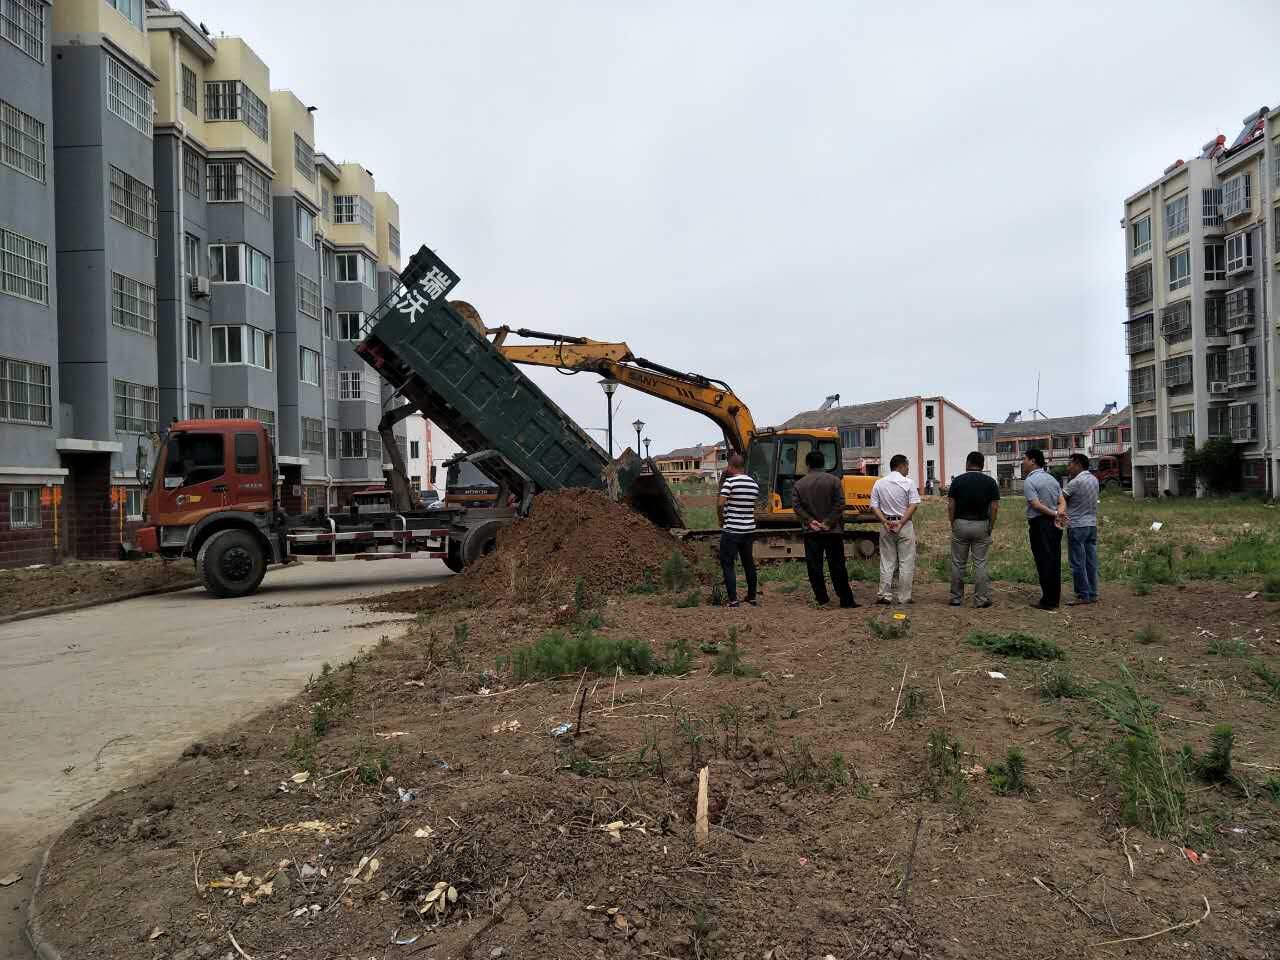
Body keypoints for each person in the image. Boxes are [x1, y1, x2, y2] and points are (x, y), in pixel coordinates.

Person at [793, 449, 857, 608]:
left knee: (815, 566)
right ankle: (846, 600)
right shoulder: (834, 481)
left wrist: (810, 521)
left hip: (811, 532)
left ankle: (822, 599)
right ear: (823, 463)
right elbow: (840, 503)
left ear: (807, 464)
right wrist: (828, 522)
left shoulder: (799, 484)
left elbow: (797, 506)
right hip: (833, 531)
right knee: (838, 566)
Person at [947, 451, 1001, 608]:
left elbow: (951, 505)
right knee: (980, 563)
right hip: (981, 524)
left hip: (960, 523)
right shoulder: (990, 482)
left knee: (958, 563)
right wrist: (991, 525)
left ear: (967, 463)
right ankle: (981, 599)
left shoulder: (957, 481)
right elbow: (994, 507)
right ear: (982, 465)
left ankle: (956, 598)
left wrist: (953, 523)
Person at [870, 454, 921, 604]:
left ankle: (884, 595)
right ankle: (904, 596)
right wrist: (901, 522)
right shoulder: (908, 483)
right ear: (901, 466)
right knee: (906, 561)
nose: (908, 469)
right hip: (904, 526)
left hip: (886, 525)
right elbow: (913, 505)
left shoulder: (879, 483)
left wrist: (884, 521)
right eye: (907, 466)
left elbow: (874, 506)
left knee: (887, 561)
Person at [1022, 448, 1066, 610]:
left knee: (1043, 560)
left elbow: (1035, 505)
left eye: (1025, 459)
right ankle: (1054, 598)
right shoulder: (1052, 479)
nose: (1023, 462)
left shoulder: (1030, 481)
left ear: (1033, 461)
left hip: (1040, 524)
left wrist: (1055, 513)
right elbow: (1062, 501)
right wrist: (1059, 514)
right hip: (1055, 524)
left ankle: (1047, 600)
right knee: (1054, 559)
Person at [717, 453, 759, 608]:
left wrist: (721, 519)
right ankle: (752, 597)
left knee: (727, 563)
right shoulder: (754, 484)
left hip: (732, 530)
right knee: (748, 563)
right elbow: (752, 506)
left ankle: (733, 600)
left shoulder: (729, 482)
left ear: (730, 466)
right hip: (748, 530)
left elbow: (720, 504)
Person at [1063, 452, 1100, 606]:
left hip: (1077, 525)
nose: (1068, 467)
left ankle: (1082, 594)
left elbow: (1061, 499)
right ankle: (1092, 593)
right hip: (1091, 524)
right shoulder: (1094, 480)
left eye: (1070, 464)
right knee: (1091, 561)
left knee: (1077, 562)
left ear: (1078, 464)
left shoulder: (1075, 482)